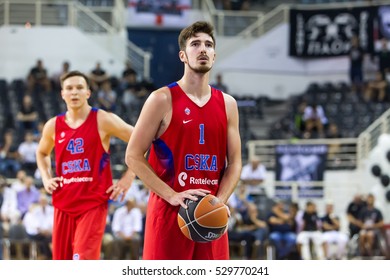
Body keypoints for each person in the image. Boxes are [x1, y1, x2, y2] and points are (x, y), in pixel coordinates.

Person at [125, 21, 242, 260]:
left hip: (210, 216)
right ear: (182, 55)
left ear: (214, 55)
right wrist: (171, 195)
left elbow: (236, 163)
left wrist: (218, 202)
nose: (203, 49)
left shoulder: (228, 104)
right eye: (195, 44)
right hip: (169, 214)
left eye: (208, 45)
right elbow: (133, 156)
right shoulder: (161, 99)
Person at [35, 70, 135, 260]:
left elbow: (141, 140)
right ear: (62, 94)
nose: (74, 93)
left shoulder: (103, 119)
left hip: (93, 203)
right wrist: (46, 178)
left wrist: (128, 177)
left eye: (79, 88)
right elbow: (41, 153)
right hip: (63, 203)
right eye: (69, 89)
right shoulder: (53, 125)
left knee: (82, 262)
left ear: (88, 93)